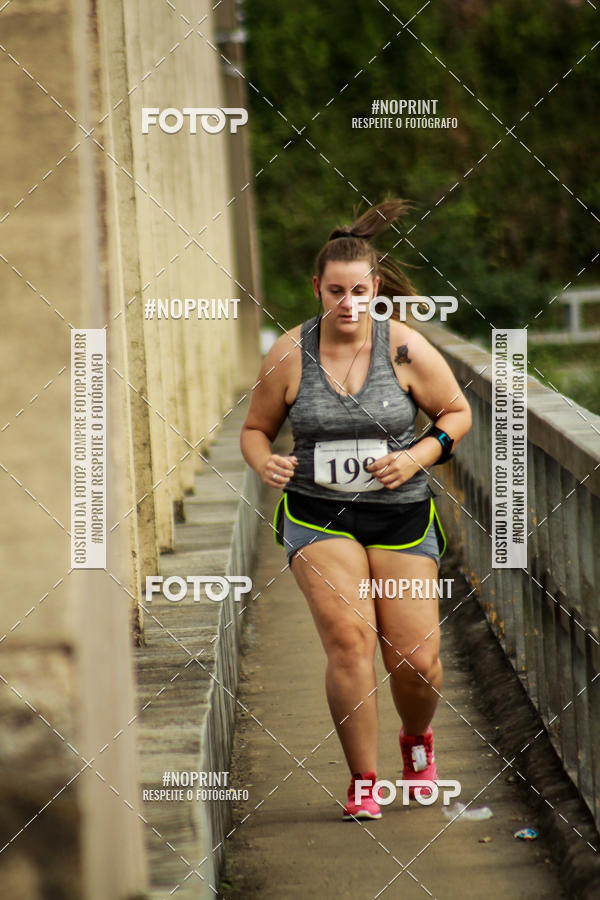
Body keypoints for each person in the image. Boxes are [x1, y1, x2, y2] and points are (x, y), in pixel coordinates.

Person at [240, 199, 472, 821]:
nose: (348, 304)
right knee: (349, 640)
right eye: (336, 291)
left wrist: (420, 456)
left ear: (377, 291)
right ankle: (364, 779)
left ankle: (418, 746)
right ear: (317, 288)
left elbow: (456, 414)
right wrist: (265, 462)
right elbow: (256, 430)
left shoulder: (405, 349)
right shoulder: (290, 354)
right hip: (319, 514)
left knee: (416, 659)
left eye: (360, 291)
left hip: (400, 513)